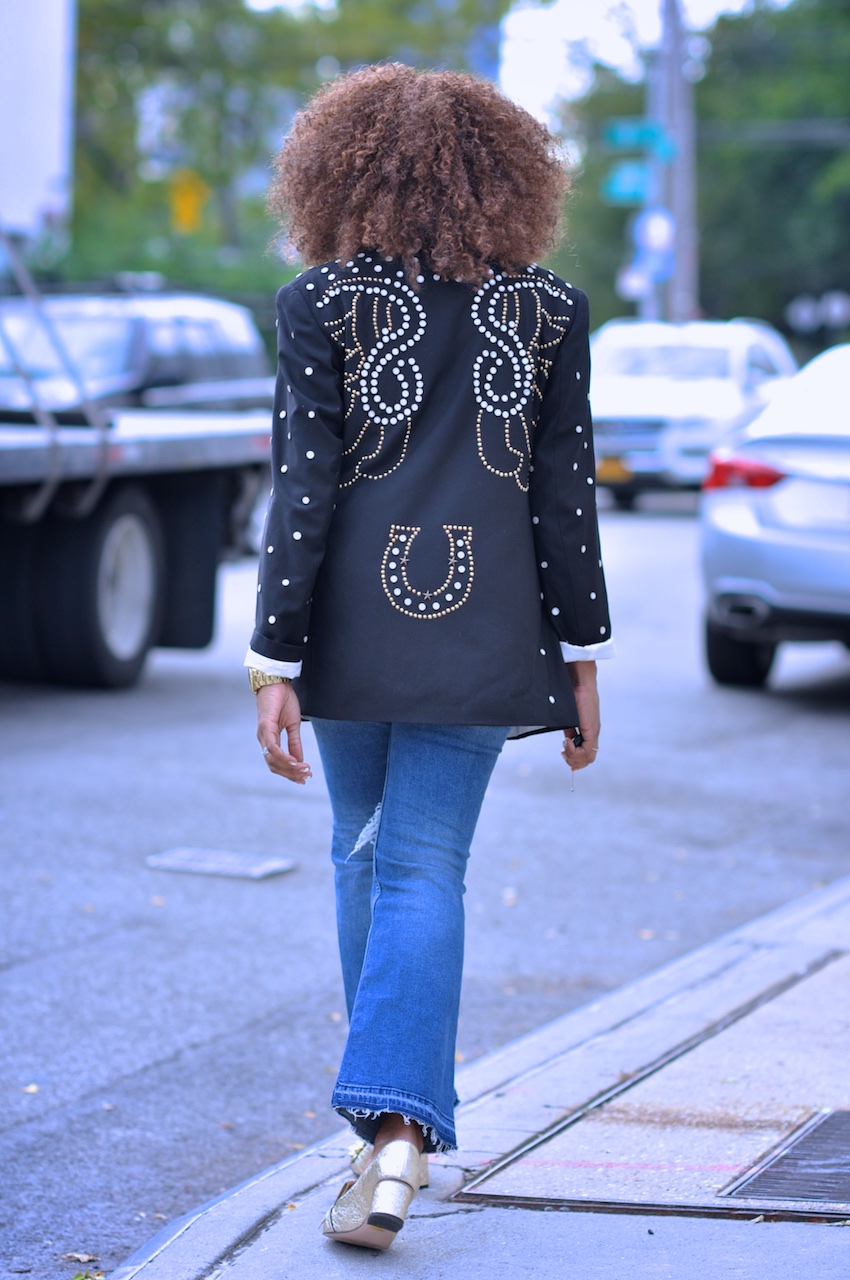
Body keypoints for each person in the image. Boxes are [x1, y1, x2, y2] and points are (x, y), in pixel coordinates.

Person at [245, 62, 613, 1251]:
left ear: (336, 174)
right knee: (419, 866)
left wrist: (273, 660)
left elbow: (302, 495)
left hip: (348, 629)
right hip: (485, 629)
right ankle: (395, 1128)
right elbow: (564, 502)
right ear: (508, 179)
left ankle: (385, 1133)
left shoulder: (315, 308)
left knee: (361, 854)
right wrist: (581, 659)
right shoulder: (551, 310)